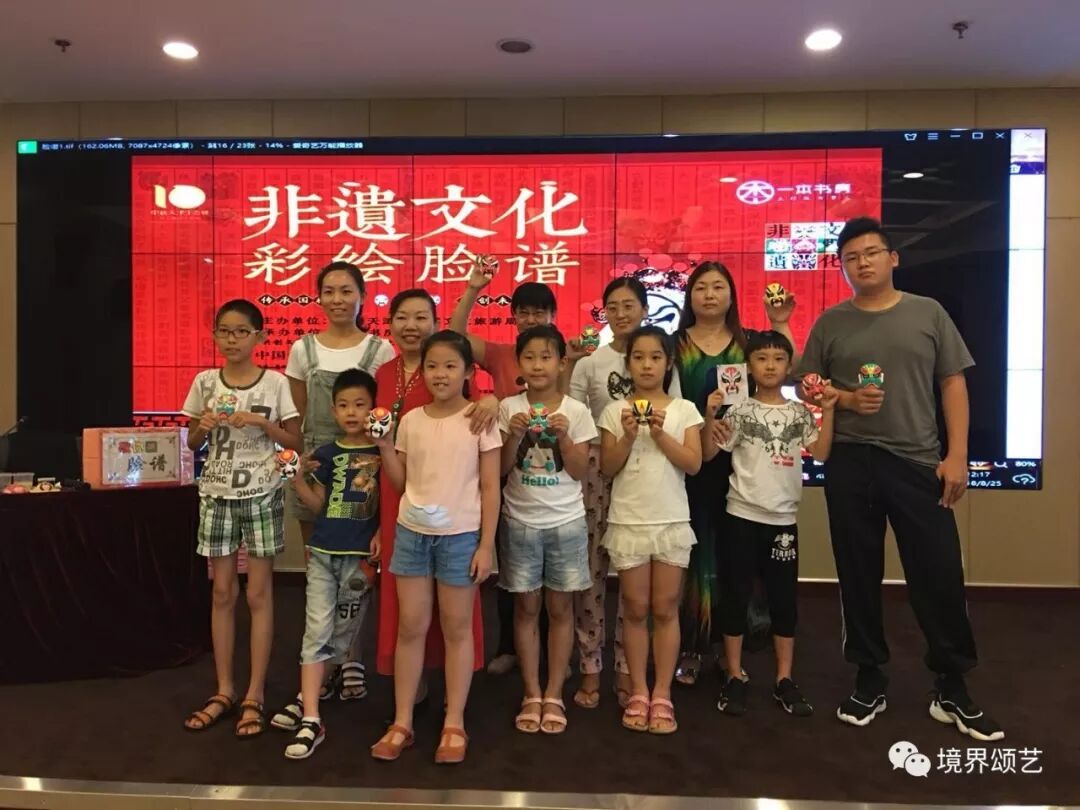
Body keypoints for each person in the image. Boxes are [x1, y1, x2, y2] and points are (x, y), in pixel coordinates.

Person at [797, 216, 1003, 741]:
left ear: (893, 258)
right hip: (850, 460)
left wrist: (958, 455)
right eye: (851, 258)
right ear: (842, 268)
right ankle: (869, 675)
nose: (862, 263)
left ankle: (951, 684)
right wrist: (844, 398)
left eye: (871, 253)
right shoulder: (832, 322)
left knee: (938, 572)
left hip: (916, 461)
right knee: (857, 572)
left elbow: (952, 383)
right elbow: (808, 385)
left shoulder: (927, 312)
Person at [370, 330, 502, 765]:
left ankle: (454, 722)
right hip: (412, 533)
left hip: (461, 537)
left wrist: (486, 545)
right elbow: (401, 482)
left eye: (449, 365)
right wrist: (385, 445)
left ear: (468, 372)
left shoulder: (480, 419)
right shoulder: (411, 420)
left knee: (457, 628)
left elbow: (490, 487)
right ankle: (402, 721)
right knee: (410, 626)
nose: (440, 374)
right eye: (431, 366)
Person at [181, 299, 302, 738]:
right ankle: (224, 689)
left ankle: (255, 693)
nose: (231, 339)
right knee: (222, 593)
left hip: (262, 495)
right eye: (224, 331)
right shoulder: (204, 381)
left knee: (260, 594)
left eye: (241, 332)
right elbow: (192, 442)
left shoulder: (275, 383)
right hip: (216, 495)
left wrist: (261, 423)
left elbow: (295, 440)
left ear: (260, 337)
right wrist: (203, 425)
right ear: (215, 334)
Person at [672, 262, 797, 685]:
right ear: (690, 296)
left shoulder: (748, 343)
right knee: (693, 555)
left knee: (736, 559)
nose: (709, 295)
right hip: (689, 461)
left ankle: (732, 650)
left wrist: (780, 323)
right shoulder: (675, 345)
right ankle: (691, 646)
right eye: (701, 288)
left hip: (744, 466)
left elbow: (788, 371)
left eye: (718, 287)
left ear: (731, 294)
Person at [705, 331, 836, 717]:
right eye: (761, 359)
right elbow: (710, 453)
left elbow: (821, 452)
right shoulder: (739, 411)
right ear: (749, 367)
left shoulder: (799, 413)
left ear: (789, 366)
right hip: (741, 516)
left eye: (778, 359)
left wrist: (829, 410)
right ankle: (734, 674)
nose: (770, 366)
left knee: (783, 600)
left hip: (783, 520)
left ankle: (784, 679)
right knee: (735, 596)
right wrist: (711, 417)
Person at [567, 277, 681, 709]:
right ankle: (590, 665)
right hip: (598, 466)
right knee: (592, 571)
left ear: (645, 309)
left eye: (629, 305)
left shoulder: (661, 357)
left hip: (647, 468)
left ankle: (628, 670)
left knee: (637, 582)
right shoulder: (590, 362)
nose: (620, 313)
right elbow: (574, 416)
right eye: (612, 306)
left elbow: (676, 415)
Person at [284, 261, 394, 701]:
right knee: (321, 569)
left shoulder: (380, 349)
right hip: (317, 466)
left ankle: (352, 659)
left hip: (366, 469)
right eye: (328, 291)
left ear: (362, 296)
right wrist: (299, 467)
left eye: (346, 290)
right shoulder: (302, 349)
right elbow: (298, 418)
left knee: (359, 574)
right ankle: (322, 662)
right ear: (318, 297)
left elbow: (386, 412)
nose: (337, 299)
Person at [450, 260, 562, 676]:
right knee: (510, 568)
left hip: (556, 479)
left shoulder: (564, 357)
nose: (531, 319)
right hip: (506, 474)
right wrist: (473, 289)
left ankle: (551, 654)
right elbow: (455, 337)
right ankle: (509, 649)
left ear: (553, 316)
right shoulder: (501, 354)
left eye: (539, 312)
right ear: (514, 317)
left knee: (553, 575)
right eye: (524, 312)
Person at [597, 326, 703, 734]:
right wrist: (628, 435)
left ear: (668, 363)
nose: (646, 365)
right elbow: (608, 467)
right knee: (635, 608)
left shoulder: (684, 410)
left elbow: (693, 464)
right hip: (629, 520)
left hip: (671, 519)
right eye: (638, 357)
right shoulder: (614, 411)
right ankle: (639, 690)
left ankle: (663, 693)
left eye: (655, 357)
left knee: (665, 607)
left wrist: (659, 433)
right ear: (628, 364)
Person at [275, 369, 383, 759]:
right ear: (333, 411)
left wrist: (382, 533)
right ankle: (311, 715)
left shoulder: (383, 452)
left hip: (358, 560)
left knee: (342, 631)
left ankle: (314, 690)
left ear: (374, 408)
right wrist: (296, 480)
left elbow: (393, 499)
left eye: (360, 404)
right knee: (315, 629)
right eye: (343, 405)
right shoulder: (325, 454)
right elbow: (319, 506)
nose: (351, 412)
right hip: (323, 553)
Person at [498, 325, 596, 734]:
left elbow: (578, 471)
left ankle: (554, 693)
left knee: (560, 610)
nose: (538, 365)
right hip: (519, 521)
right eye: (530, 357)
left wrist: (566, 438)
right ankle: (531, 692)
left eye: (546, 357)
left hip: (565, 522)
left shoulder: (576, 410)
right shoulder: (507, 407)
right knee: (525, 609)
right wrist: (514, 435)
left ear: (561, 363)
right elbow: (501, 470)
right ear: (519, 364)